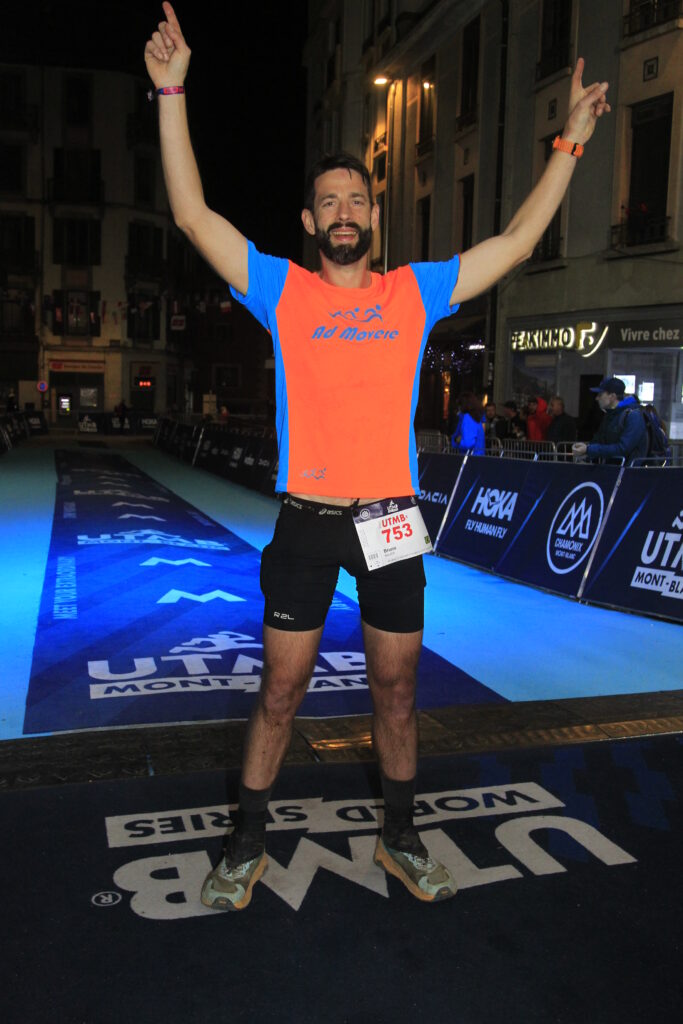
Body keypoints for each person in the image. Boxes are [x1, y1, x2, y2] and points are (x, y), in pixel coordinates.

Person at [144, 2, 610, 910]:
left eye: (357, 200)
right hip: (307, 523)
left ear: (373, 216)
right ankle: (247, 841)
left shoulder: (412, 292)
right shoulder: (281, 290)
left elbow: (516, 243)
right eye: (329, 202)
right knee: (281, 693)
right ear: (309, 221)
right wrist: (171, 92)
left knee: (397, 691)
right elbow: (194, 215)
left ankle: (401, 837)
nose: (344, 212)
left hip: (390, 522)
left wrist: (569, 145)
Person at [572, 376, 646, 464]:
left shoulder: (633, 416)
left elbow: (623, 449)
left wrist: (589, 449)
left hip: (629, 470)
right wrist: (587, 451)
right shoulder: (610, 415)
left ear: (612, 396)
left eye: (600, 394)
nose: (597, 398)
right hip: (613, 467)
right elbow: (600, 440)